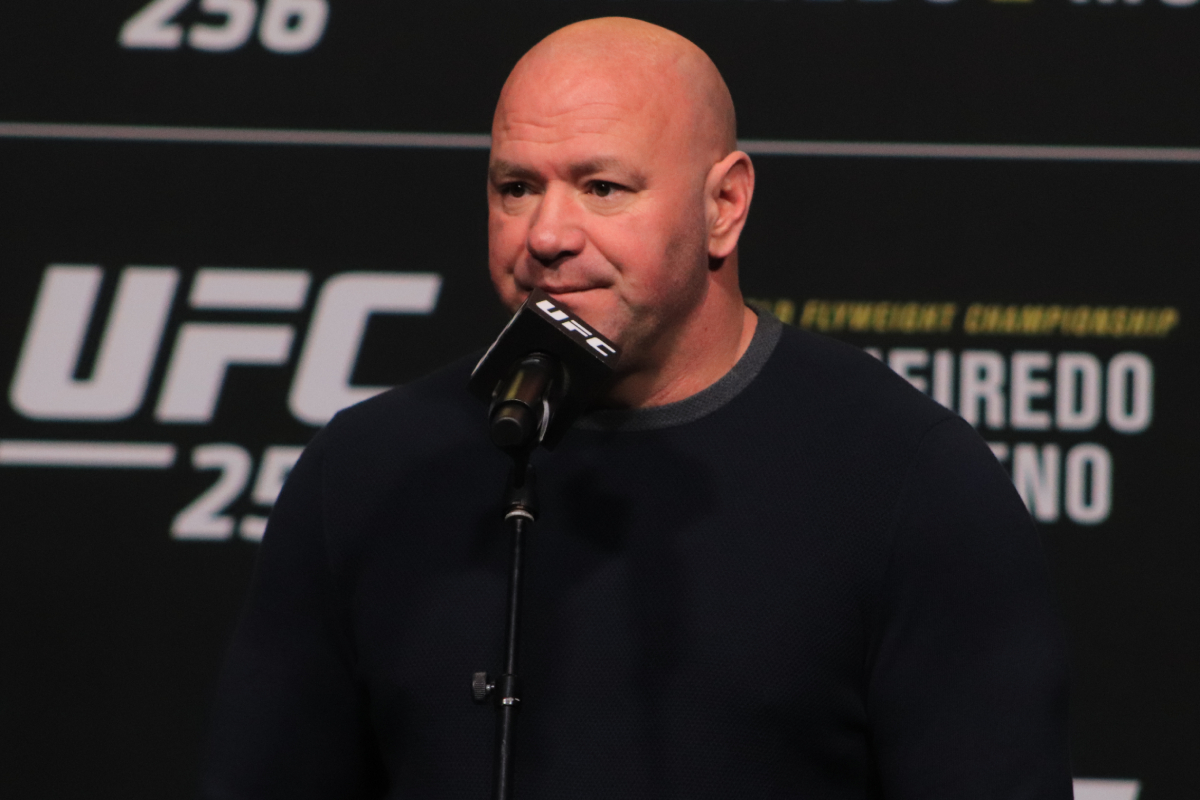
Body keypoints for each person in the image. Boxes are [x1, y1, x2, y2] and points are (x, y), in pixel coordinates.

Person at [202, 18, 1072, 799]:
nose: (547, 234)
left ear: (723, 205)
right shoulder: (369, 471)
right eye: (516, 187)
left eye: (602, 187)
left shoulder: (904, 480)